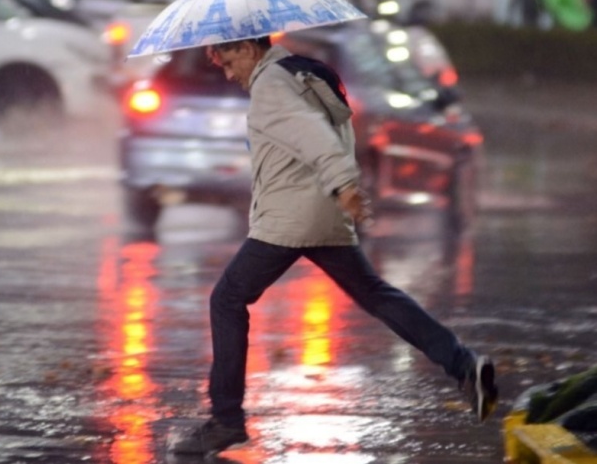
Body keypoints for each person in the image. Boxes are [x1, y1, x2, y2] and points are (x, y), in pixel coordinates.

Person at [169, 36, 498, 457]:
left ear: (250, 48)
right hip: (322, 212)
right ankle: (464, 363)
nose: (229, 74)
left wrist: (344, 183)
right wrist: (339, 190)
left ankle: (226, 421)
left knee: (227, 300)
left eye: (229, 60)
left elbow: (315, 137)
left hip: (291, 217)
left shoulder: (272, 83)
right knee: (375, 293)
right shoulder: (303, 73)